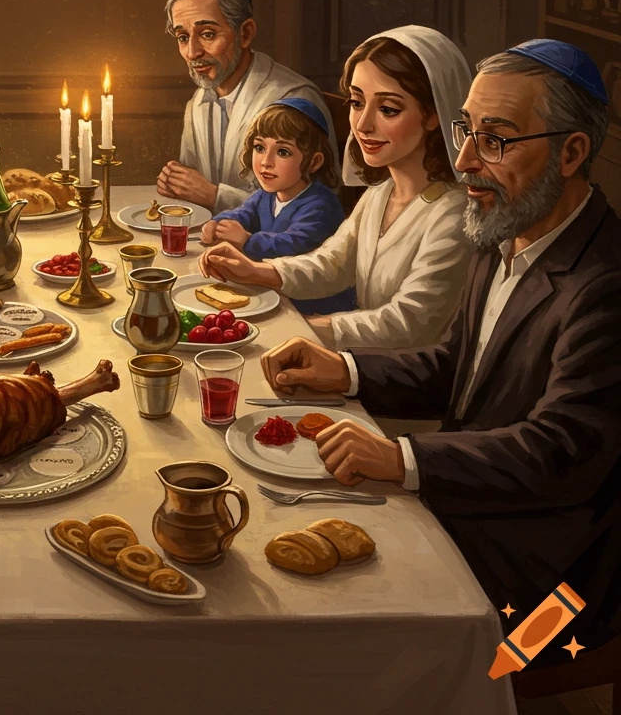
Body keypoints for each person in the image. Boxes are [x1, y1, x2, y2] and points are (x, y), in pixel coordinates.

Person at [258, 39, 621, 652]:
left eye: (496, 139)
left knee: (339, 631)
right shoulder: (507, 227)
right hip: (471, 505)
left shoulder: (605, 282)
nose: (467, 159)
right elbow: (455, 364)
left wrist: (402, 459)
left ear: (572, 152)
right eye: (466, 131)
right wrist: (343, 370)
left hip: (556, 579)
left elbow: (561, 450)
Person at [199, 26, 473, 349]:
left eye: (388, 109)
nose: (363, 124)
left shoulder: (453, 214)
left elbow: (407, 321)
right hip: (362, 361)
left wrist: (303, 328)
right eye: (357, 103)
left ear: (433, 115)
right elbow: (332, 263)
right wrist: (256, 271)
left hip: (404, 382)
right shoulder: (379, 194)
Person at [157, 0, 335, 213]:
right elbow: (191, 189)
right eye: (183, 37)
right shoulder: (198, 101)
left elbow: (316, 207)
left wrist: (215, 196)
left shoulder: (293, 99)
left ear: (246, 33)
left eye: (208, 34)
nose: (192, 52)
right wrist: (177, 184)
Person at [199, 97, 355, 314]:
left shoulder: (321, 205)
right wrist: (218, 224)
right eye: (260, 147)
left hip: (311, 305)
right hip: (272, 291)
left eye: (283, 152)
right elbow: (244, 214)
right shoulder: (266, 195)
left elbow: (294, 243)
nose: (266, 161)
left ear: (314, 162)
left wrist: (247, 240)